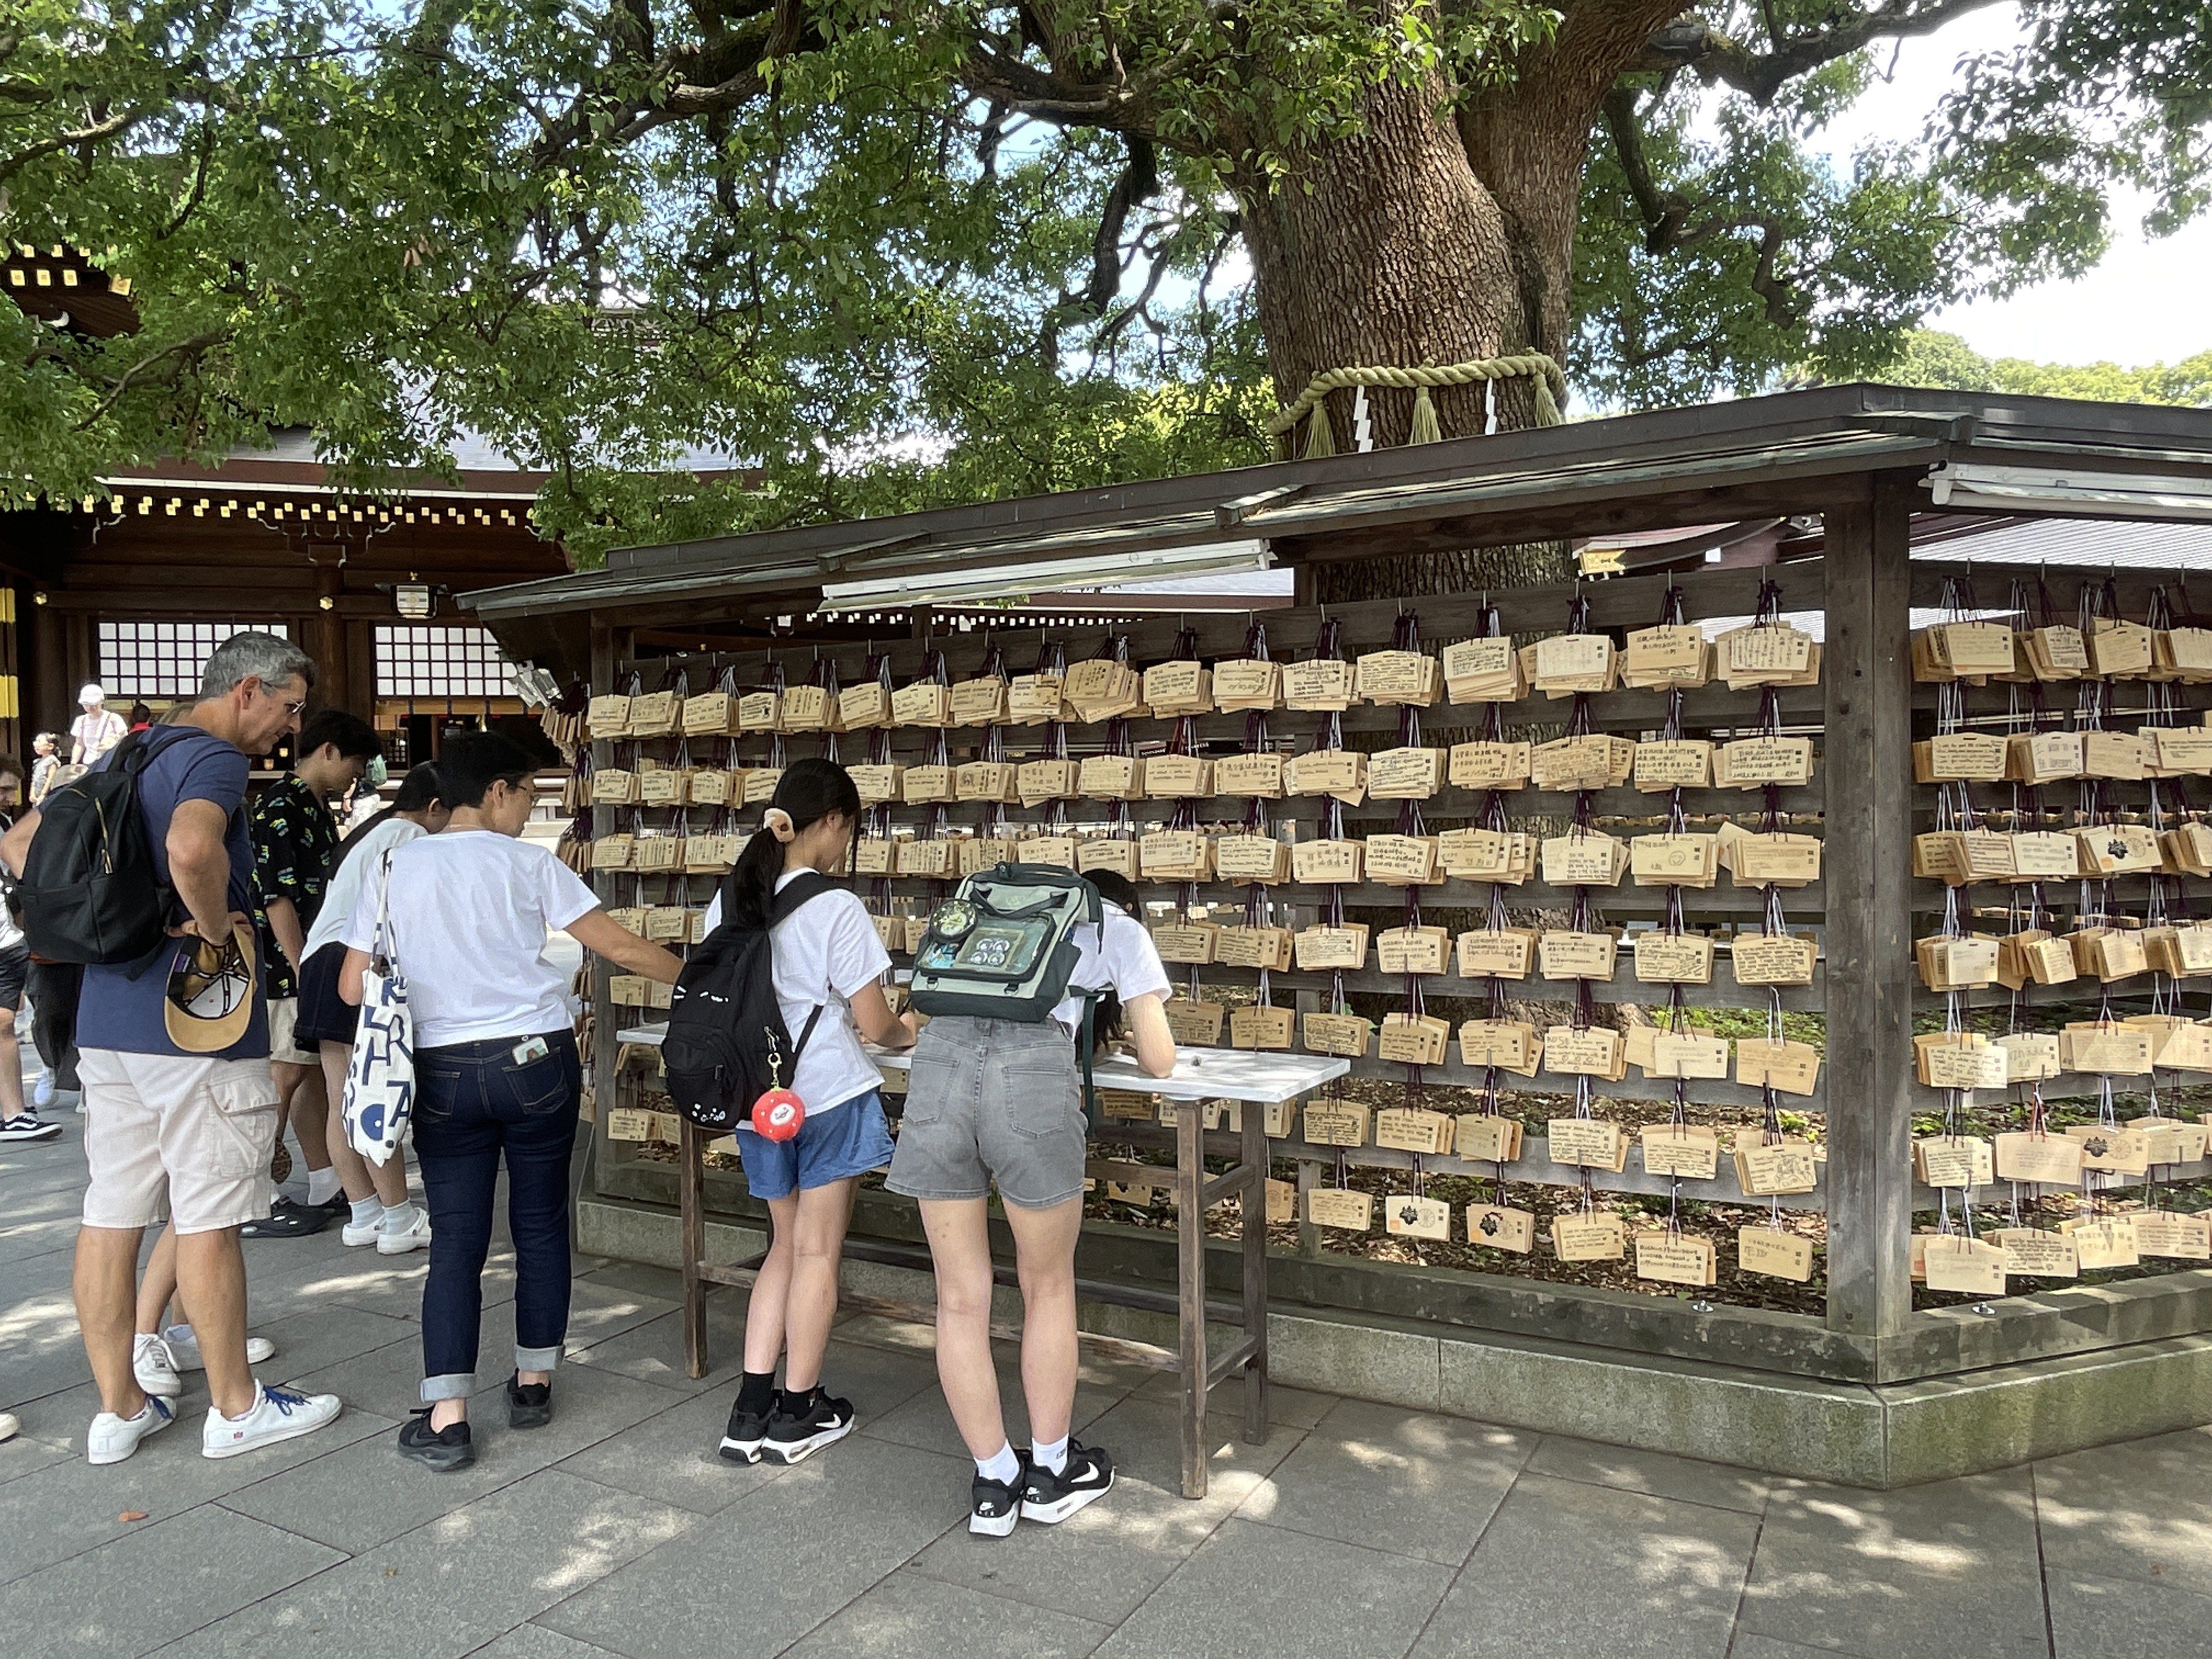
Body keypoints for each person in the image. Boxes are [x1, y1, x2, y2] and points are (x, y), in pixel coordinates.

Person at [0, 631, 344, 1465]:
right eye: (291, 707)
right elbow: (193, 848)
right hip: (194, 1025)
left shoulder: (130, 750)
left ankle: (119, 1409)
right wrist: (215, 929)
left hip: (108, 1021)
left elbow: (19, 845)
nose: (292, 727)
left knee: (111, 1213)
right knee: (210, 1215)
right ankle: (236, 1407)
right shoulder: (213, 760)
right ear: (248, 689)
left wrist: (121, 922)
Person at [339, 731, 681, 1472]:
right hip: (536, 1063)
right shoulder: (530, 865)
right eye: (527, 793)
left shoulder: (392, 865)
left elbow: (349, 985)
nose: (530, 808)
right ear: (496, 790)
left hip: (442, 1070)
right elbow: (621, 949)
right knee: (540, 1223)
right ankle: (532, 1383)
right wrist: (702, 980)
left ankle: (448, 1418)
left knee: (457, 1239)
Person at [886, 864, 1176, 1534]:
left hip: (940, 1069)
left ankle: (994, 1482)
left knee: (959, 1298)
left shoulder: (979, 912)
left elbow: (918, 1011)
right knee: (1046, 1286)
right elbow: (1160, 1060)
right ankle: (1049, 1471)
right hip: (1034, 1075)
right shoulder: (1116, 926)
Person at [692, 760, 918, 1466]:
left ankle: (748, 1409)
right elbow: (876, 1024)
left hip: (758, 1102)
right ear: (833, 823)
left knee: (784, 1248)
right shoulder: (836, 907)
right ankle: (798, 1410)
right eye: (849, 831)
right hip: (826, 1097)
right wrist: (913, 1030)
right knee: (818, 1253)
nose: (846, 845)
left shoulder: (728, 900)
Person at [239, 709, 383, 1239]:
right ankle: (255, 1192)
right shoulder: (280, 805)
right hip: (289, 963)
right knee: (285, 1072)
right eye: (355, 762)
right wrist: (301, 966)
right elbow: (275, 896)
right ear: (328, 751)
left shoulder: (314, 805)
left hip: (308, 957)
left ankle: (324, 1179)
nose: (358, 775)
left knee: (311, 1071)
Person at [297, 763, 448, 1252]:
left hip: (319, 960)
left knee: (342, 1096)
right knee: (374, 1093)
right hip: (355, 960)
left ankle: (364, 1213)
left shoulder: (374, 831)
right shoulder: (409, 837)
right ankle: (399, 1217)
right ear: (435, 807)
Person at [0, 754, 59, 1144]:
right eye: (4, 790)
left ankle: (13, 1112)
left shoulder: (7, 824)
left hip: (7, 938)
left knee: (5, 1023)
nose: (9, 798)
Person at [69, 684, 126, 766]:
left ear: (101, 701)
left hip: (110, 763)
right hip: (89, 763)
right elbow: (79, 744)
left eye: (94, 704)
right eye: (86, 704)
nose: (90, 707)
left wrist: (112, 742)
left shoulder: (114, 719)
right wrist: (74, 762)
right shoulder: (81, 721)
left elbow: (124, 739)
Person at [28, 732, 62, 805]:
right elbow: (34, 780)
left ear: (50, 746)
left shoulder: (52, 761)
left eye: (39, 741)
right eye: (36, 741)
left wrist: (43, 794)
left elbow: (50, 779)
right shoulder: (37, 762)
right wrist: (32, 793)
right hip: (37, 796)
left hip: (47, 796)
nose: (35, 744)